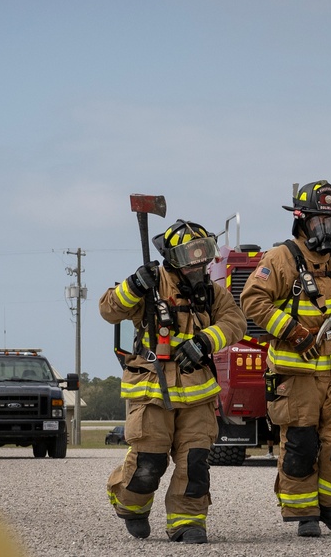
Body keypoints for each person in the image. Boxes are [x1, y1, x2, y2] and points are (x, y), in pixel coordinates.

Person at [240, 181, 331, 538]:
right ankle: (303, 512)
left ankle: (330, 507)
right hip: (297, 374)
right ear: (301, 220)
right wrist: (293, 331)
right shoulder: (279, 258)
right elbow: (252, 301)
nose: (325, 226)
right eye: (318, 219)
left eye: (330, 219)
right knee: (301, 442)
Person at [99, 219, 247, 545]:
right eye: (190, 255)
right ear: (173, 258)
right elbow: (109, 309)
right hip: (151, 390)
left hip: (197, 393)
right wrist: (134, 285)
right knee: (148, 466)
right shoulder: (150, 285)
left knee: (195, 462)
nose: (197, 263)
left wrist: (205, 341)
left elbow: (236, 321)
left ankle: (187, 522)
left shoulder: (212, 293)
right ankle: (129, 504)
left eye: (202, 254)